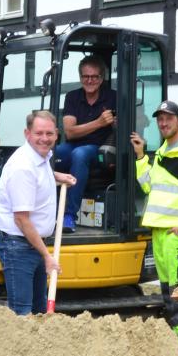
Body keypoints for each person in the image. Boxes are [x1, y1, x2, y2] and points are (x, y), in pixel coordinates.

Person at [129, 100, 178, 351]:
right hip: (160, 232)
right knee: (168, 293)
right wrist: (142, 157)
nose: (163, 123)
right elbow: (149, 187)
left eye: (169, 118)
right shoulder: (163, 150)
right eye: (160, 119)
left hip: (177, 235)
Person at [0, 110, 76, 315]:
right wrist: (47, 256)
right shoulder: (23, 166)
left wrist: (57, 176)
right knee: (22, 313)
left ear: (57, 134)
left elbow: (38, 178)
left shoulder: (41, 158)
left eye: (49, 133)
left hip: (33, 243)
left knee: (38, 311)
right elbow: (21, 219)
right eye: (39, 133)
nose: (44, 139)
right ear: (27, 133)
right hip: (18, 245)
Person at [54, 55, 117, 233]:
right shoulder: (72, 97)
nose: (90, 80)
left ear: (101, 78)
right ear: (80, 77)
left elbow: (127, 123)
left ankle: (68, 215)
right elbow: (70, 131)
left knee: (80, 154)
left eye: (94, 76)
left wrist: (116, 124)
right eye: (85, 76)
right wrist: (99, 122)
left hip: (98, 149)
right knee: (53, 153)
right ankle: (46, 210)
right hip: (73, 144)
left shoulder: (113, 97)